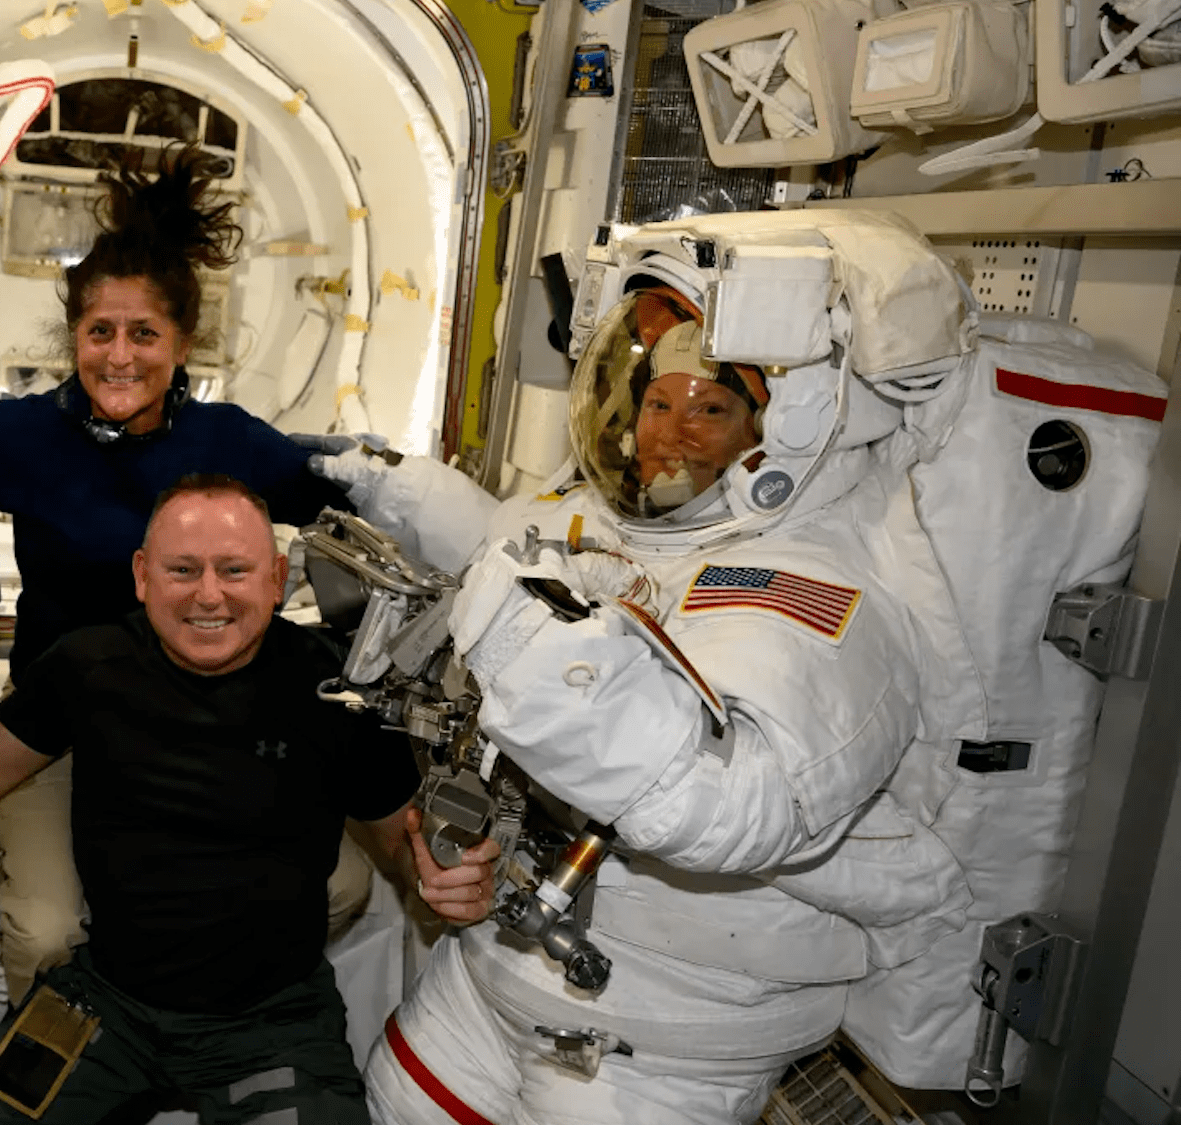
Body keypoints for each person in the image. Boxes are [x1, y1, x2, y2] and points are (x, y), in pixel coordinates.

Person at [311, 213, 985, 1124]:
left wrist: (524, 652)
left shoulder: (814, 589)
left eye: (710, 407)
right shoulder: (597, 518)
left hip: (660, 1036)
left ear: (776, 431)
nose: (673, 430)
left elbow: (731, 806)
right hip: (498, 971)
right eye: (659, 402)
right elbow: (494, 554)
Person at [0, 476, 498, 1124]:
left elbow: (401, 837)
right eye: (182, 569)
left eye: (234, 570)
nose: (208, 594)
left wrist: (440, 874)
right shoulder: (87, 666)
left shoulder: (333, 693)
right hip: (103, 1005)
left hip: (272, 1022)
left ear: (276, 577)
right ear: (142, 575)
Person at [0, 146, 368, 1003]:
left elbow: (346, 499)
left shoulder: (229, 444)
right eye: (100, 332)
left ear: (182, 343)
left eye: (144, 334)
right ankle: (59, 1066)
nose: (119, 356)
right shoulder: (20, 439)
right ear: (73, 338)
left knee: (340, 886)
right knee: (48, 931)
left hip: (210, 726)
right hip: (54, 730)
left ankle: (208, 1024)